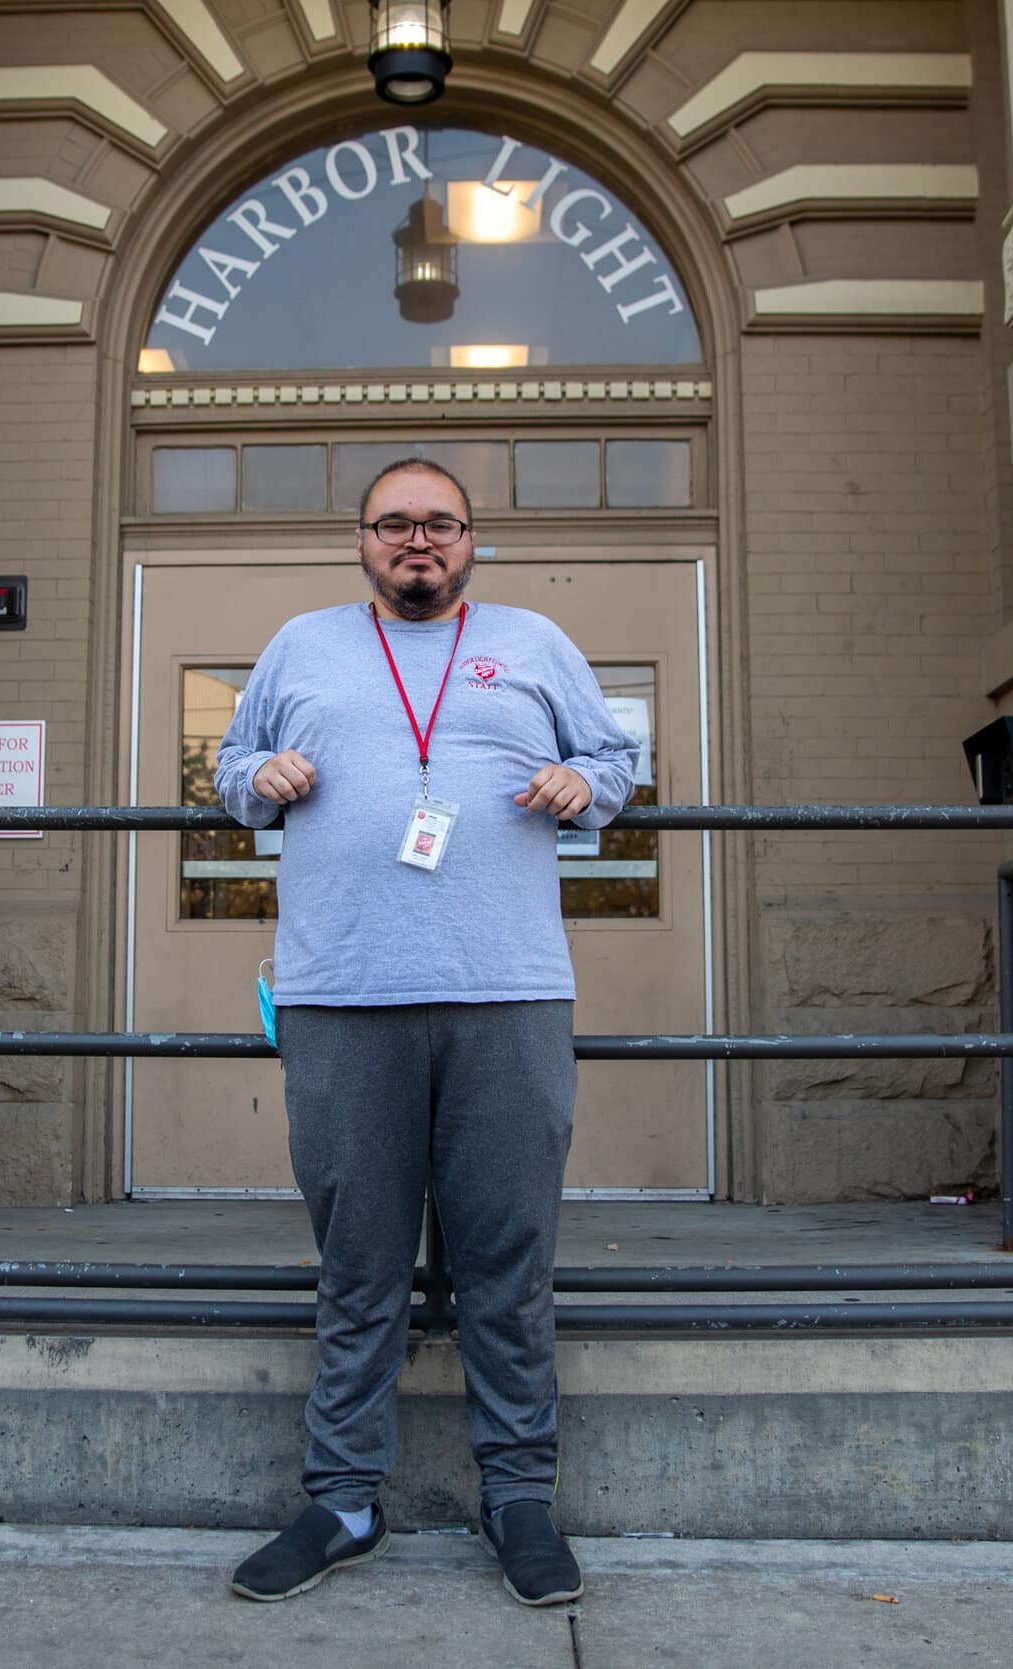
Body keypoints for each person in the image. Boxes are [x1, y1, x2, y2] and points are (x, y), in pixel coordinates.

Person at [214, 458, 638, 1607]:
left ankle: (519, 1499)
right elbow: (228, 769)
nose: (417, 540)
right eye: (394, 523)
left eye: (439, 524)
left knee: (507, 1261)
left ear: (471, 541)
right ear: (359, 539)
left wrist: (577, 785)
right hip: (341, 993)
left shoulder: (535, 641)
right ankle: (342, 1499)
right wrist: (264, 772)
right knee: (359, 1265)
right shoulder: (301, 645)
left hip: (506, 992)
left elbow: (616, 762)